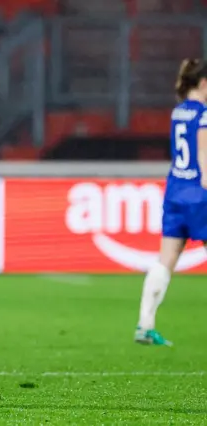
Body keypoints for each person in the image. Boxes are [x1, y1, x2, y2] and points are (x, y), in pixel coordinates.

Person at [136, 58, 207, 347]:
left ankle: (144, 325)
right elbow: (203, 154)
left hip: (175, 190)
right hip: (199, 192)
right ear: (203, 84)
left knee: (165, 261)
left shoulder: (178, 113)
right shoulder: (204, 114)